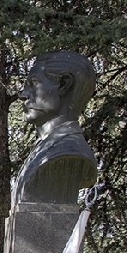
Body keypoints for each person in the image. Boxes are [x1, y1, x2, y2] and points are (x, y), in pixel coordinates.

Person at [11, 50, 98, 208]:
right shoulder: (45, 149)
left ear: (64, 84)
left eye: (34, 84)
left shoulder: (69, 151)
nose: (23, 94)